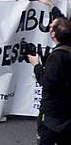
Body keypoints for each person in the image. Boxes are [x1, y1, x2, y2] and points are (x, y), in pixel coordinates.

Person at [27, 13, 71, 145]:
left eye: (51, 27)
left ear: (53, 34)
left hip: (53, 113)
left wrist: (36, 65)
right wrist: (50, 4)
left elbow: (46, 82)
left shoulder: (57, 57)